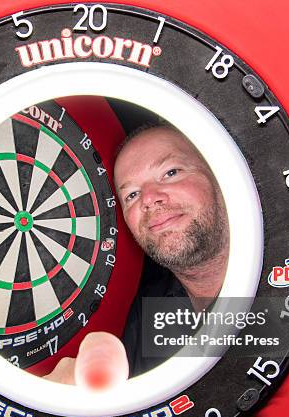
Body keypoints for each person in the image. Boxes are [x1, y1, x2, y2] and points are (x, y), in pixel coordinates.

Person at [44, 124, 229, 384]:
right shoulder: (149, 311)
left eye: (170, 172)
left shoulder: (285, 289)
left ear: (220, 176)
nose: (149, 199)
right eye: (131, 194)